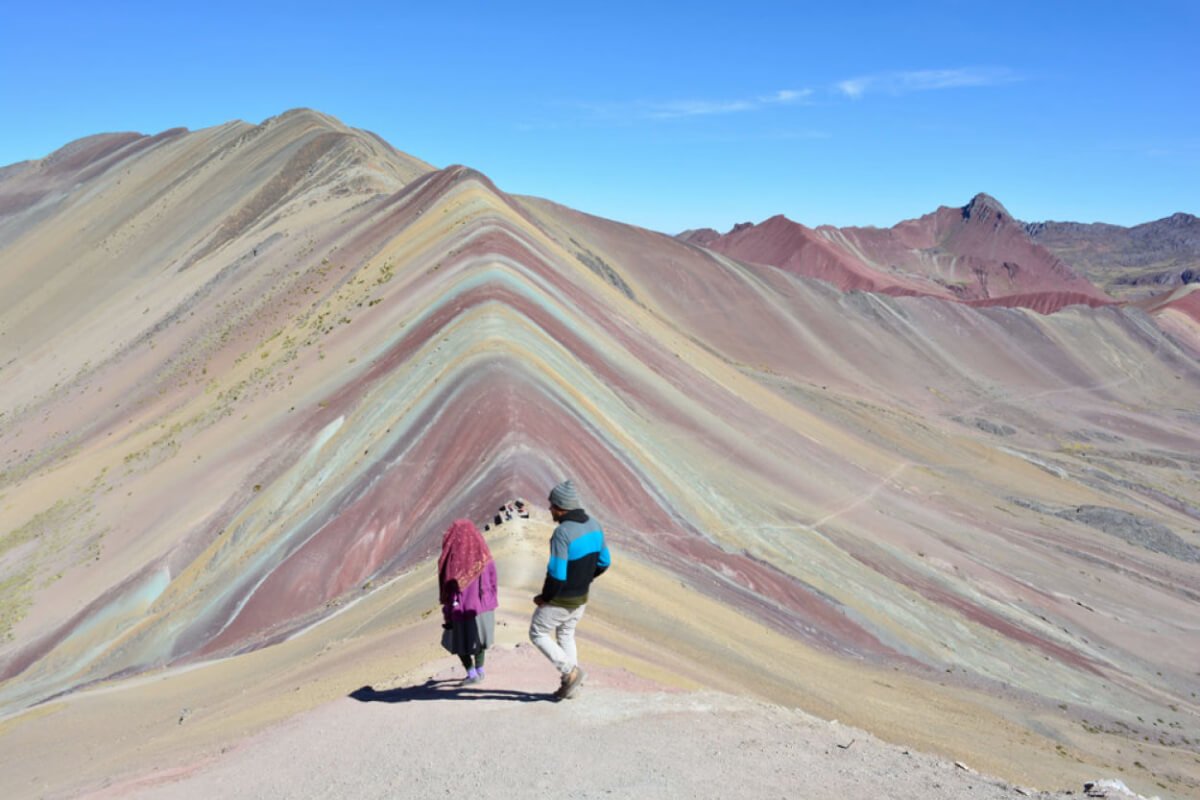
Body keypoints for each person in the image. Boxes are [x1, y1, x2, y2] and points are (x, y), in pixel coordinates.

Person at [529, 479, 611, 700]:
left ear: (561, 507)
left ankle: (570, 672)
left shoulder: (562, 533)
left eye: (552, 506)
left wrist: (545, 598)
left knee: (537, 633)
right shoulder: (595, 524)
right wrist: (584, 578)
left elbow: (557, 573)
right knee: (566, 634)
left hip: (561, 599)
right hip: (581, 597)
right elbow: (605, 562)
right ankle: (571, 685)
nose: (550, 510)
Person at [438, 519, 498, 684]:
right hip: (483, 606)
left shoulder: (451, 561)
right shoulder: (484, 555)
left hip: (460, 609)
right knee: (479, 640)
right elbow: (493, 579)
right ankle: (480, 670)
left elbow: (446, 584)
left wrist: (447, 611)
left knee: (459, 642)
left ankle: (472, 673)